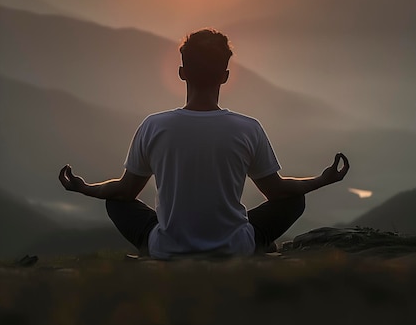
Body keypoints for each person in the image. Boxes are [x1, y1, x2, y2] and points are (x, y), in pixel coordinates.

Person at [59, 28, 349, 259]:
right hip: (235, 247)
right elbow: (277, 191)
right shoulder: (248, 128)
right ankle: (249, 244)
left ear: (182, 73)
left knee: (116, 204)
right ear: (225, 77)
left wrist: (83, 187)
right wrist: (322, 179)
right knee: (294, 199)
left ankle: (158, 248)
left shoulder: (154, 126)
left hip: (168, 247)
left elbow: (125, 192)